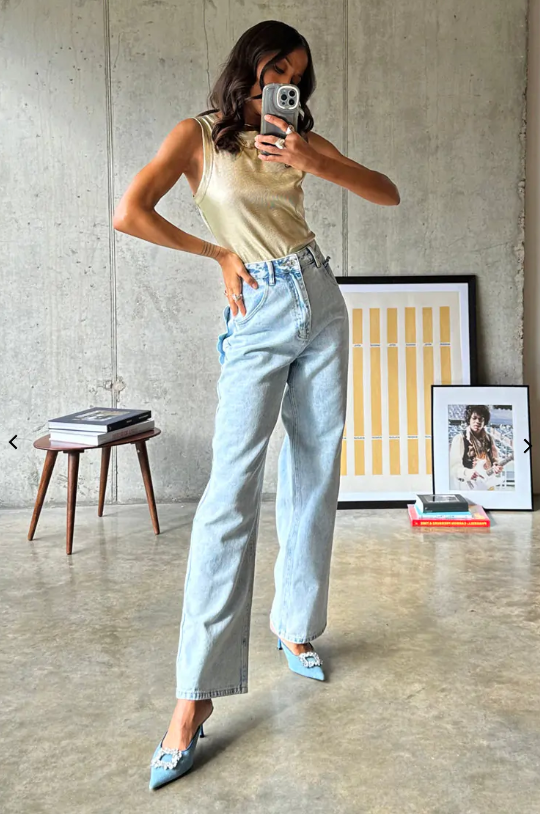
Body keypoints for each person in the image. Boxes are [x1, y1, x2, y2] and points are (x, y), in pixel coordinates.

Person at [113, 19, 400, 790]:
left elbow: (388, 191)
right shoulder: (197, 137)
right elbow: (130, 211)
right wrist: (217, 253)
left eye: (297, 77)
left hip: (320, 299)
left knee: (315, 470)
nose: (287, 85)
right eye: (278, 69)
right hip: (257, 311)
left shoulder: (296, 137)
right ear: (249, 64)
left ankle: (296, 628)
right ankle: (193, 698)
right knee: (229, 497)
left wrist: (313, 159)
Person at [449, 405, 502, 489]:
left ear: (485, 421)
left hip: (487, 485)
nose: (477, 421)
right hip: (467, 486)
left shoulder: (489, 439)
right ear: (469, 420)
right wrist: (467, 472)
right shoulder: (459, 439)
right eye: (474, 418)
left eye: (481, 419)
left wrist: (496, 467)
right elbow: (454, 468)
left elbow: (495, 460)